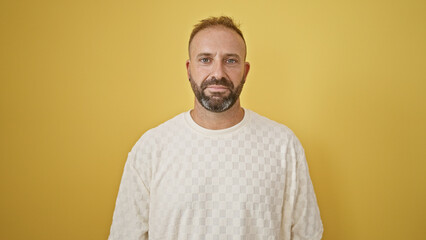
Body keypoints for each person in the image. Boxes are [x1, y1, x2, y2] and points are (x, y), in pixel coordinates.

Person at [108, 16, 323, 240]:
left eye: (230, 61)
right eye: (205, 59)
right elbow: (125, 235)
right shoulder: (151, 148)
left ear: (245, 71)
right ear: (189, 69)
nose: (218, 73)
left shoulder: (283, 145)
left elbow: (308, 233)